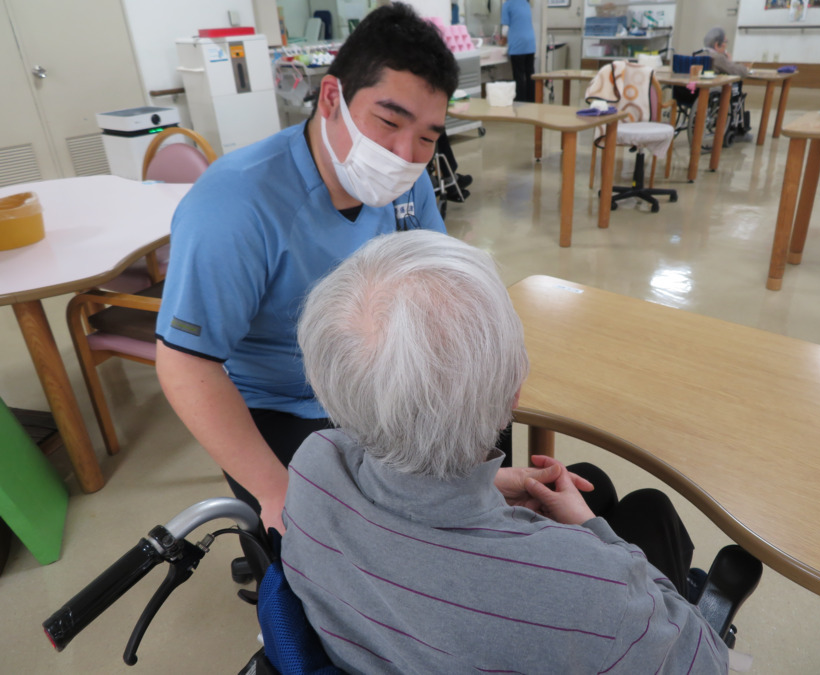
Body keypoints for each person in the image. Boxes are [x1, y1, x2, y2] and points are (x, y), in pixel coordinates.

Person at [284, 229, 729, 673]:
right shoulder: (591, 592)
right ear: (512, 398)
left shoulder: (312, 468)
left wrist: (488, 484)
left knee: (592, 480)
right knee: (651, 509)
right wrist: (594, 533)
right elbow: (708, 662)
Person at [154, 3, 459, 534]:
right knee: (350, 543)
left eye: (428, 138)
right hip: (285, 405)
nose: (404, 154)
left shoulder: (408, 184)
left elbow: (441, 283)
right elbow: (185, 364)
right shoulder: (234, 205)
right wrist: (274, 491)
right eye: (389, 122)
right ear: (332, 98)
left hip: (383, 386)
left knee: (478, 469)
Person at [500, 0, 536, 102]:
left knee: (519, 76)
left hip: (518, 44)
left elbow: (505, 28)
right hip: (530, 43)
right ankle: (532, 100)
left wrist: (503, 40)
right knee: (530, 75)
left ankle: (521, 101)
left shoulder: (507, 4)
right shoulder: (526, 3)